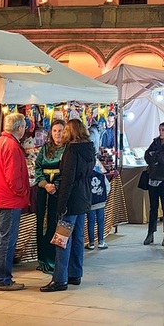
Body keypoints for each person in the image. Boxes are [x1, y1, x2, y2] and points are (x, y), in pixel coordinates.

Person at [41, 118, 96, 292]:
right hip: (83, 198)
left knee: (62, 239)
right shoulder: (89, 148)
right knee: (78, 237)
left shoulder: (72, 150)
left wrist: (61, 204)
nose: (62, 134)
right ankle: (75, 273)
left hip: (71, 201)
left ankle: (59, 279)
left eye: (65, 131)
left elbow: (68, 180)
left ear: (71, 132)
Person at [0, 112, 31, 291]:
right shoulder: (12, 146)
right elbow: (13, 177)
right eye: (24, 127)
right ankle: (3, 279)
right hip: (9, 200)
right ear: (19, 128)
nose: (25, 130)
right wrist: (23, 191)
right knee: (7, 240)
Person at [33, 118, 66, 273]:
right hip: (43, 191)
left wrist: (56, 186)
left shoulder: (68, 149)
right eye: (54, 131)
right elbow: (37, 167)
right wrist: (45, 184)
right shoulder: (45, 149)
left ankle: (56, 260)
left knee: (55, 225)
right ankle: (43, 259)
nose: (57, 134)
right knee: (42, 225)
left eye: (60, 131)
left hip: (58, 193)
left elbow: (68, 172)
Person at [85, 158, 110, 250]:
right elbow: (108, 187)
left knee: (91, 222)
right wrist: (103, 196)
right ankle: (101, 241)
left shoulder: (85, 177)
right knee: (101, 221)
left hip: (90, 202)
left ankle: (91, 243)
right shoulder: (101, 176)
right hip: (101, 202)